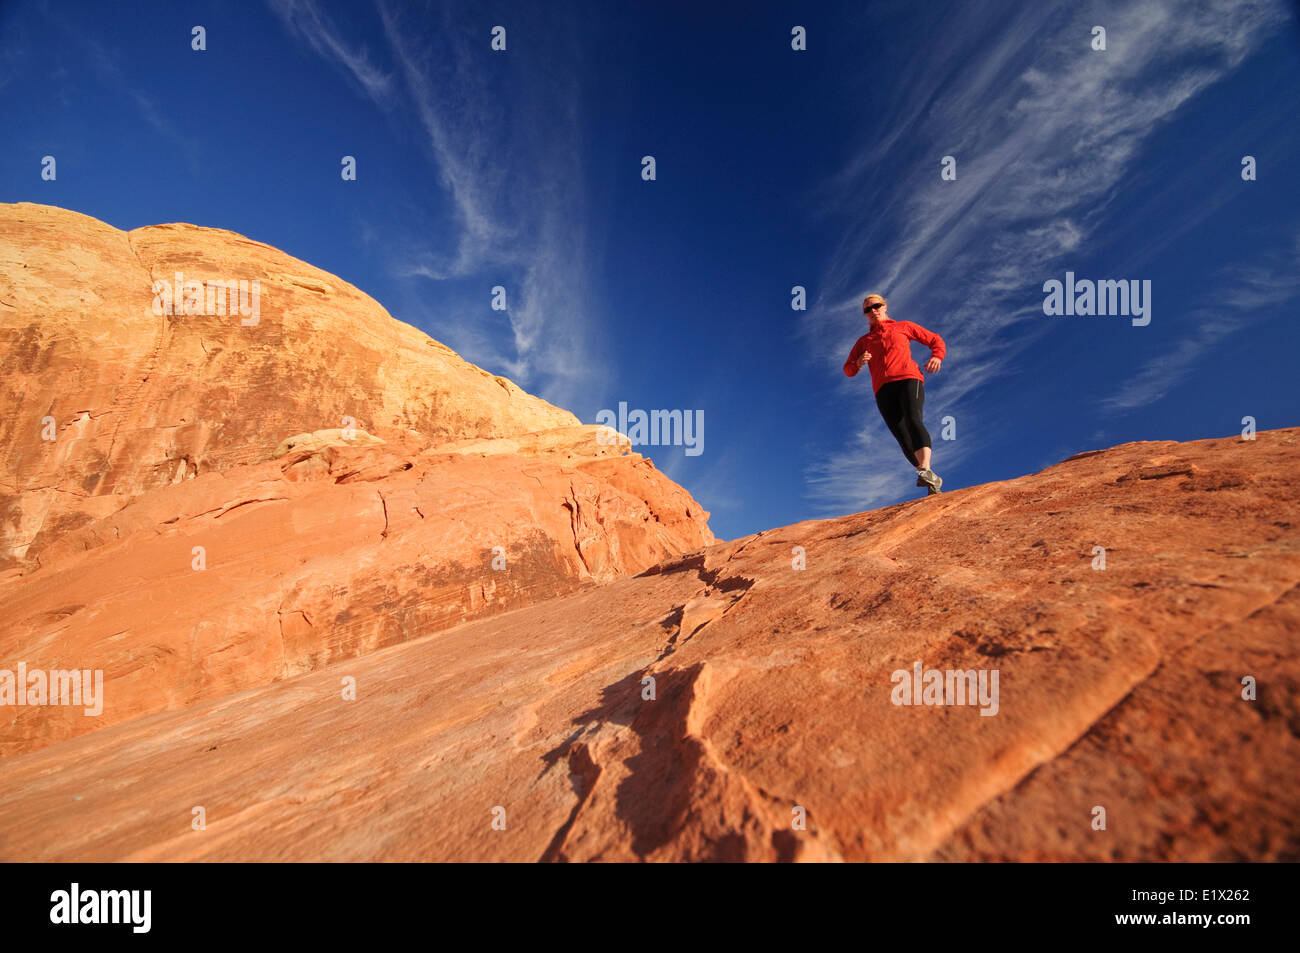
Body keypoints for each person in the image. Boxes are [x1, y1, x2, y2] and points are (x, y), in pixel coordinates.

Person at [843, 293, 946, 494]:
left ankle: (925, 468)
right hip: (882, 389)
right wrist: (858, 362)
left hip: (908, 378)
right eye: (867, 310)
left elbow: (935, 339)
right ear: (865, 315)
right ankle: (928, 477)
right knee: (901, 435)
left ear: (884, 306)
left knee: (912, 419)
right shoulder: (864, 341)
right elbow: (848, 370)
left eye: (876, 306)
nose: (872, 311)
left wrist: (937, 356)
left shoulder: (903, 326)